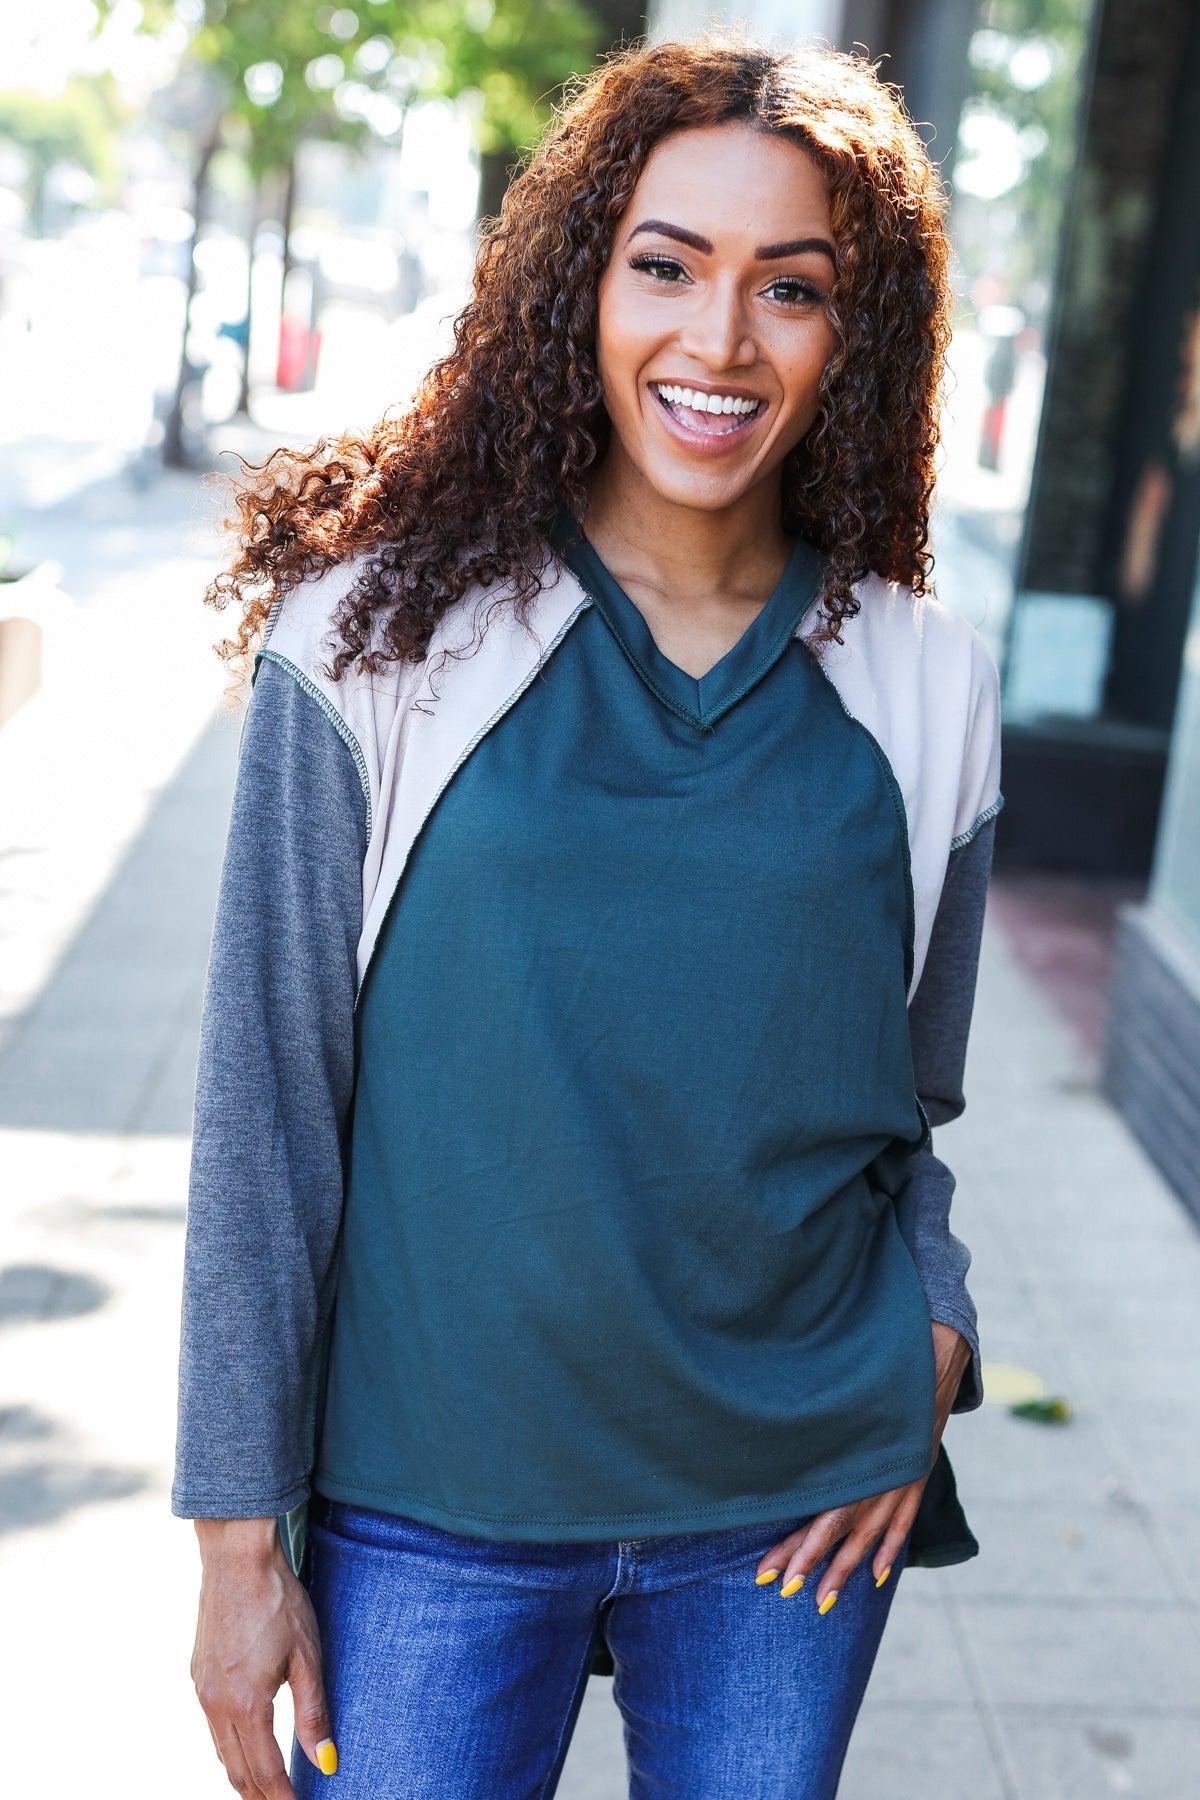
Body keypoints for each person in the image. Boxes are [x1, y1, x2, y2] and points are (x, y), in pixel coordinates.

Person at [173, 35, 1002, 1800]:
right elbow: (266, 1118)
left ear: (858, 338)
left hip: (783, 1518)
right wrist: (237, 1546)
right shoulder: (373, 644)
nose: (721, 341)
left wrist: (929, 1336)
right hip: (427, 1516)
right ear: (581, 286)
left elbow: (906, 1099)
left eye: (793, 288)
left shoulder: (926, 684)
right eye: (668, 267)